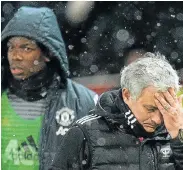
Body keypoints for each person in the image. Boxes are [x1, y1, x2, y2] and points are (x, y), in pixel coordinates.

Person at [1, 6, 98, 170]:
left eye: (26, 48)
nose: (15, 56)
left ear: (48, 53)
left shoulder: (84, 102)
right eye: (11, 47)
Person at [50, 52, 183, 170]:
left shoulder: (176, 131)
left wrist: (179, 137)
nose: (157, 119)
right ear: (127, 95)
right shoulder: (84, 133)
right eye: (150, 109)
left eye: (164, 108)